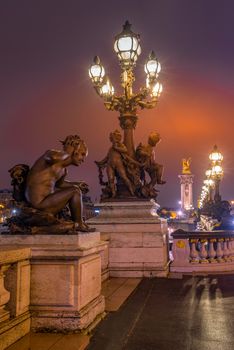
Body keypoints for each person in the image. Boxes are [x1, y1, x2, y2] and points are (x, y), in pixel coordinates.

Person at [25, 135, 92, 232]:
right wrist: (68, 152)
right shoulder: (52, 154)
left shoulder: (64, 171)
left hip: (47, 201)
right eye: (82, 154)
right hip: (38, 204)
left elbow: (59, 185)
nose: (83, 159)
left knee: (75, 189)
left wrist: (77, 183)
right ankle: (79, 224)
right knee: (75, 191)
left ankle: (77, 223)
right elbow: (50, 157)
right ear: (75, 151)